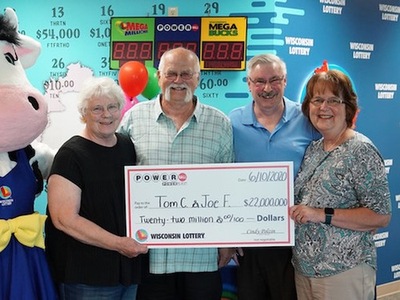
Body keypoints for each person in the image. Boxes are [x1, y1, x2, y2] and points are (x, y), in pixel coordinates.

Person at [118, 47, 236, 300]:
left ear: (198, 78)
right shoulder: (133, 119)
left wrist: (228, 241)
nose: (178, 80)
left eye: (186, 74)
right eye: (171, 74)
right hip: (150, 252)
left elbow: (229, 187)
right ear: (158, 77)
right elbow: (118, 177)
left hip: (202, 255)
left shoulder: (220, 123)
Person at [289, 69, 391, 300]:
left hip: (344, 270)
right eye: (317, 100)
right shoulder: (314, 149)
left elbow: (380, 216)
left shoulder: (361, 150)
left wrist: (319, 214)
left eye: (333, 100)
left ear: (348, 108)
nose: (324, 107)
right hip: (304, 271)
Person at [45, 77, 148, 300]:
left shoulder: (127, 146)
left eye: (112, 107)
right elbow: (64, 219)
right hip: (87, 276)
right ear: (84, 114)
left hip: (127, 271)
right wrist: (119, 244)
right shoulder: (70, 155)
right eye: (97, 109)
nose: (107, 114)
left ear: (121, 109)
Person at [228, 53, 320, 300]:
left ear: (285, 81)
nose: (267, 88)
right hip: (249, 242)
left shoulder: (307, 120)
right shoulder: (232, 122)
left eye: (274, 80)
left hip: (296, 240)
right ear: (248, 83)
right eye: (259, 81)